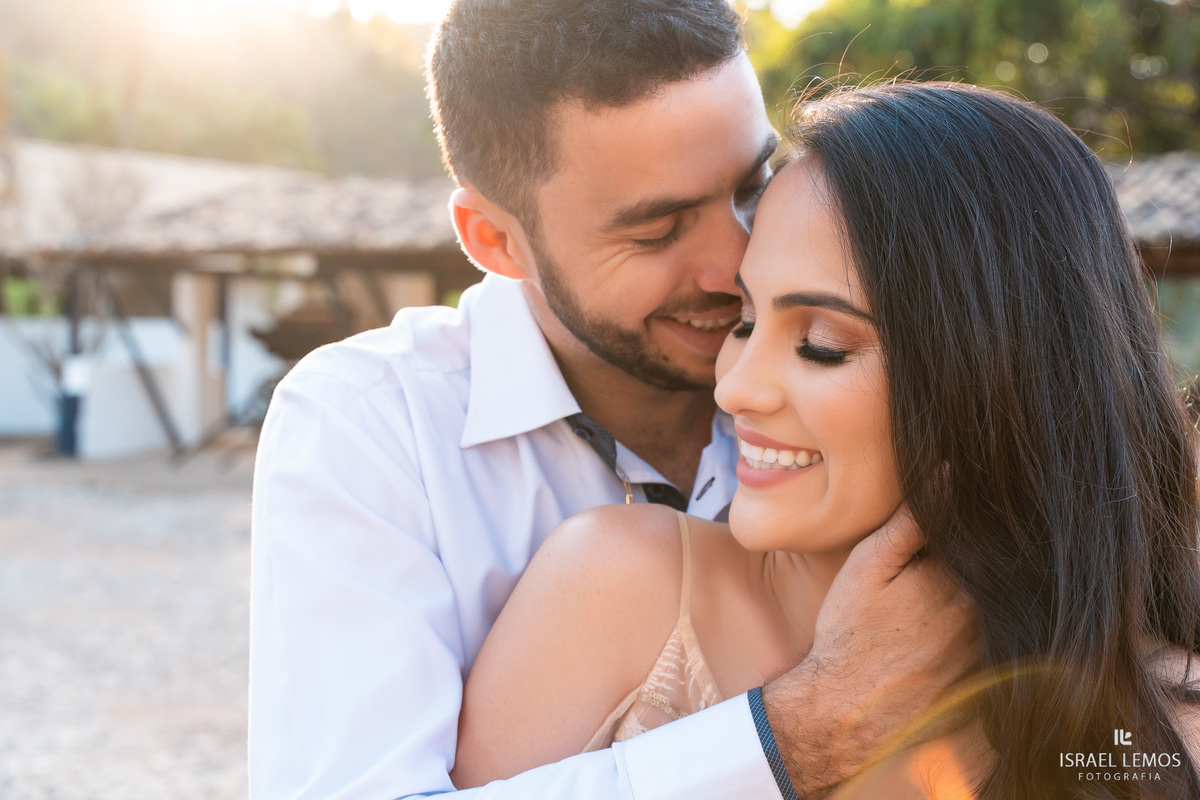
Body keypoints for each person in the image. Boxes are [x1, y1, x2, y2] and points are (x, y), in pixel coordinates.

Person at [248, 3, 973, 799]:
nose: (737, 264)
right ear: (495, 240)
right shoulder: (372, 427)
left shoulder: (882, 392)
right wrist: (800, 735)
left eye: (750, 185)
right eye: (658, 232)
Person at [450, 82, 1200, 798]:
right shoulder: (616, 585)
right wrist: (808, 724)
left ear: (998, 374)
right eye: (746, 321)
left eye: (821, 345)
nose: (734, 388)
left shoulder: (1166, 727)